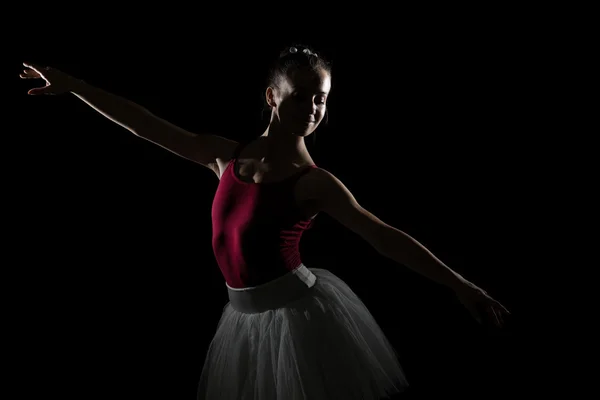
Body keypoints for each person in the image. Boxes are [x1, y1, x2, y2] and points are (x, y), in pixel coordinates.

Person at [21, 44, 509, 399]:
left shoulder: (313, 183)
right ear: (273, 96)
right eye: (301, 96)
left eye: (321, 99)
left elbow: (383, 237)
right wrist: (76, 87)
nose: (314, 109)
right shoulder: (224, 158)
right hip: (242, 321)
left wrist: (459, 283)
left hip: (297, 322)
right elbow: (144, 124)